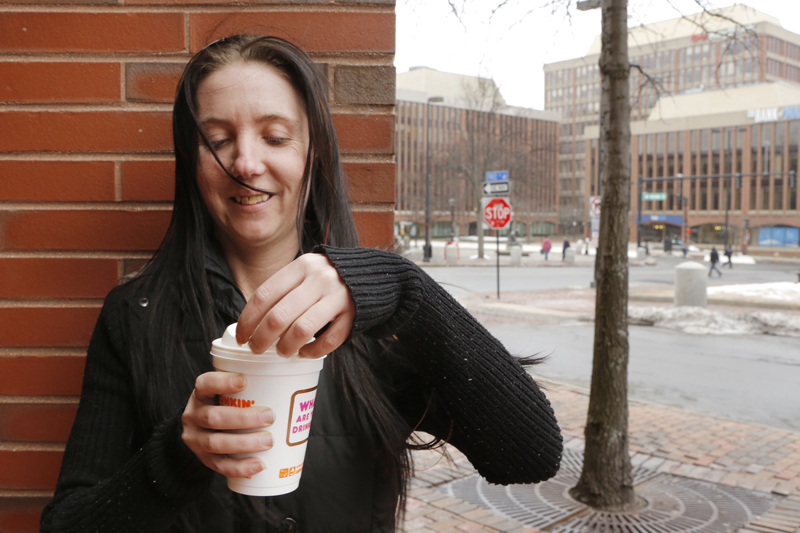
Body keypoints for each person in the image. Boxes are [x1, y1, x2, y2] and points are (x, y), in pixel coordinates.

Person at [40, 35, 562, 533]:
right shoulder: (135, 315)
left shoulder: (384, 323)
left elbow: (530, 455)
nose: (246, 163)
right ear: (192, 164)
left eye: (275, 136)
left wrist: (402, 290)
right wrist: (178, 457)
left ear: (313, 155)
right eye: (218, 140)